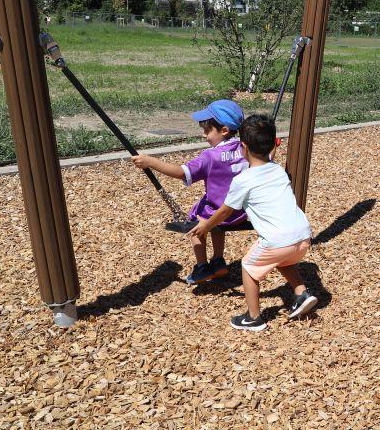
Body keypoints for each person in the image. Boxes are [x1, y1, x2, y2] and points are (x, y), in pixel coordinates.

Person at [189, 114, 317, 331]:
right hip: (303, 237)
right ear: (271, 144)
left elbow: (225, 211)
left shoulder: (243, 180)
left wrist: (206, 226)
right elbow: (269, 157)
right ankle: (301, 293)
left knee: (248, 267)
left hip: (277, 241)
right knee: (283, 260)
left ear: (243, 147)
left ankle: (253, 317)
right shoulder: (278, 170)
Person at [132, 100, 248, 285]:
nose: (204, 135)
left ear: (224, 130)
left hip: (220, 213)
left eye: (208, 131)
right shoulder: (245, 148)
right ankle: (218, 261)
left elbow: (181, 172)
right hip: (240, 213)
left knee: (196, 219)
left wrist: (150, 162)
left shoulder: (210, 156)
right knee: (216, 216)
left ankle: (202, 267)